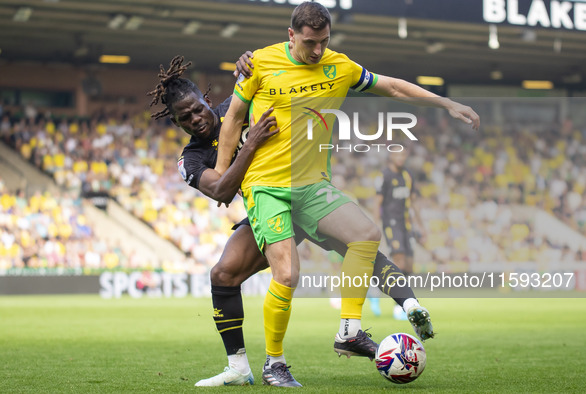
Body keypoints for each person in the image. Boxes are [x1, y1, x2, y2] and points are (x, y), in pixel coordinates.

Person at [214, 1, 479, 387]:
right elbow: (235, 118)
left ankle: (349, 331)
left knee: (366, 235)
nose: (317, 50)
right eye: (309, 42)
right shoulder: (260, 63)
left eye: (323, 41)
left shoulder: (341, 66)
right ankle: (274, 364)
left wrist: (445, 102)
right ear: (292, 35)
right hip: (267, 187)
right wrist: (223, 175)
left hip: (313, 185)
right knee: (287, 275)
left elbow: (390, 86)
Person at [148, 55, 432, 387]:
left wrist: (248, 64)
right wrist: (250, 144)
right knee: (223, 274)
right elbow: (223, 191)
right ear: (177, 123)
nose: (195, 119)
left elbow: (277, 71)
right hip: (268, 208)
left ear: (206, 100)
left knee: (358, 242)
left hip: (301, 190)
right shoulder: (191, 158)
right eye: (185, 118)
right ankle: (239, 367)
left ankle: (406, 303)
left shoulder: (239, 104)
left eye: (197, 109)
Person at [373, 148, 426, 319]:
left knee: (409, 265)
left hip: (406, 224)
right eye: (397, 154)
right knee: (400, 261)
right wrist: (376, 225)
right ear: (391, 156)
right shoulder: (385, 176)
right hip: (391, 223)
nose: (401, 157)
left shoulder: (408, 175)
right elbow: (377, 203)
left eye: (404, 154)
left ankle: (375, 290)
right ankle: (399, 306)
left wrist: (421, 225)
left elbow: (414, 202)